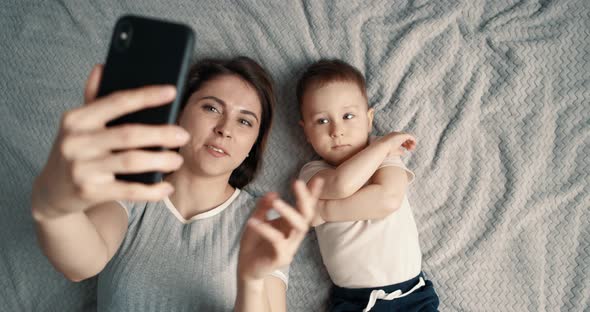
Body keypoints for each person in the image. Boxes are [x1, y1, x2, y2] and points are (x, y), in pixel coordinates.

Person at [31, 56, 323, 311]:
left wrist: (251, 282)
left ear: (253, 145)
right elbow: (80, 264)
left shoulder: (266, 217)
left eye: (244, 122)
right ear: (179, 115)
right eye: (211, 108)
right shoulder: (131, 191)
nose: (224, 129)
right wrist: (52, 208)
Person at [296, 59, 439, 312]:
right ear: (305, 131)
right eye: (321, 121)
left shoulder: (386, 156)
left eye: (348, 116)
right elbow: (341, 185)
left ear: (369, 118)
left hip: (411, 294)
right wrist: (383, 144)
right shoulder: (313, 173)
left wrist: (324, 211)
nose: (337, 130)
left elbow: (387, 200)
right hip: (355, 302)